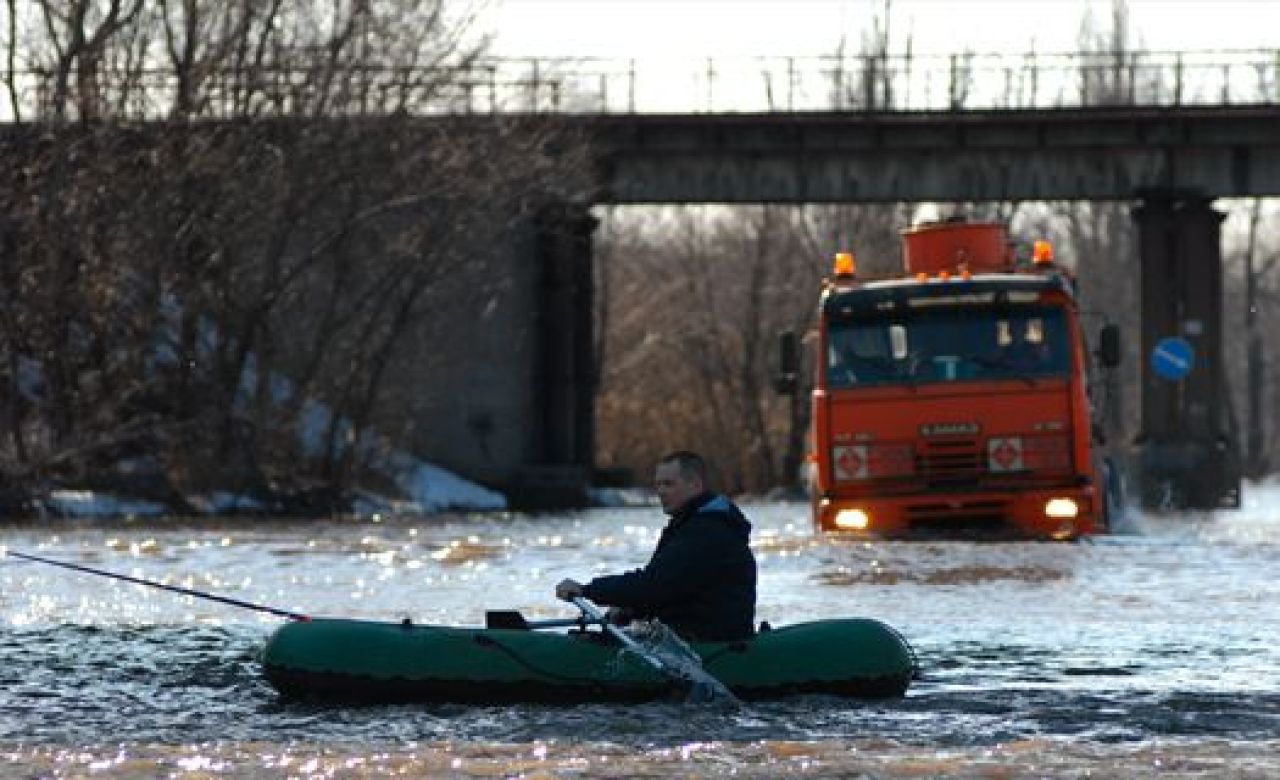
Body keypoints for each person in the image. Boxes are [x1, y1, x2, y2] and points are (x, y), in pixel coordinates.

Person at [555, 450, 757, 642]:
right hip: (696, 632)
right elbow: (675, 587)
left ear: (695, 485)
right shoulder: (693, 523)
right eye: (658, 485)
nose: (660, 492)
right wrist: (631, 609)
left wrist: (587, 590)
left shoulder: (706, 531)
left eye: (668, 484)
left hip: (708, 640)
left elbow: (654, 584)